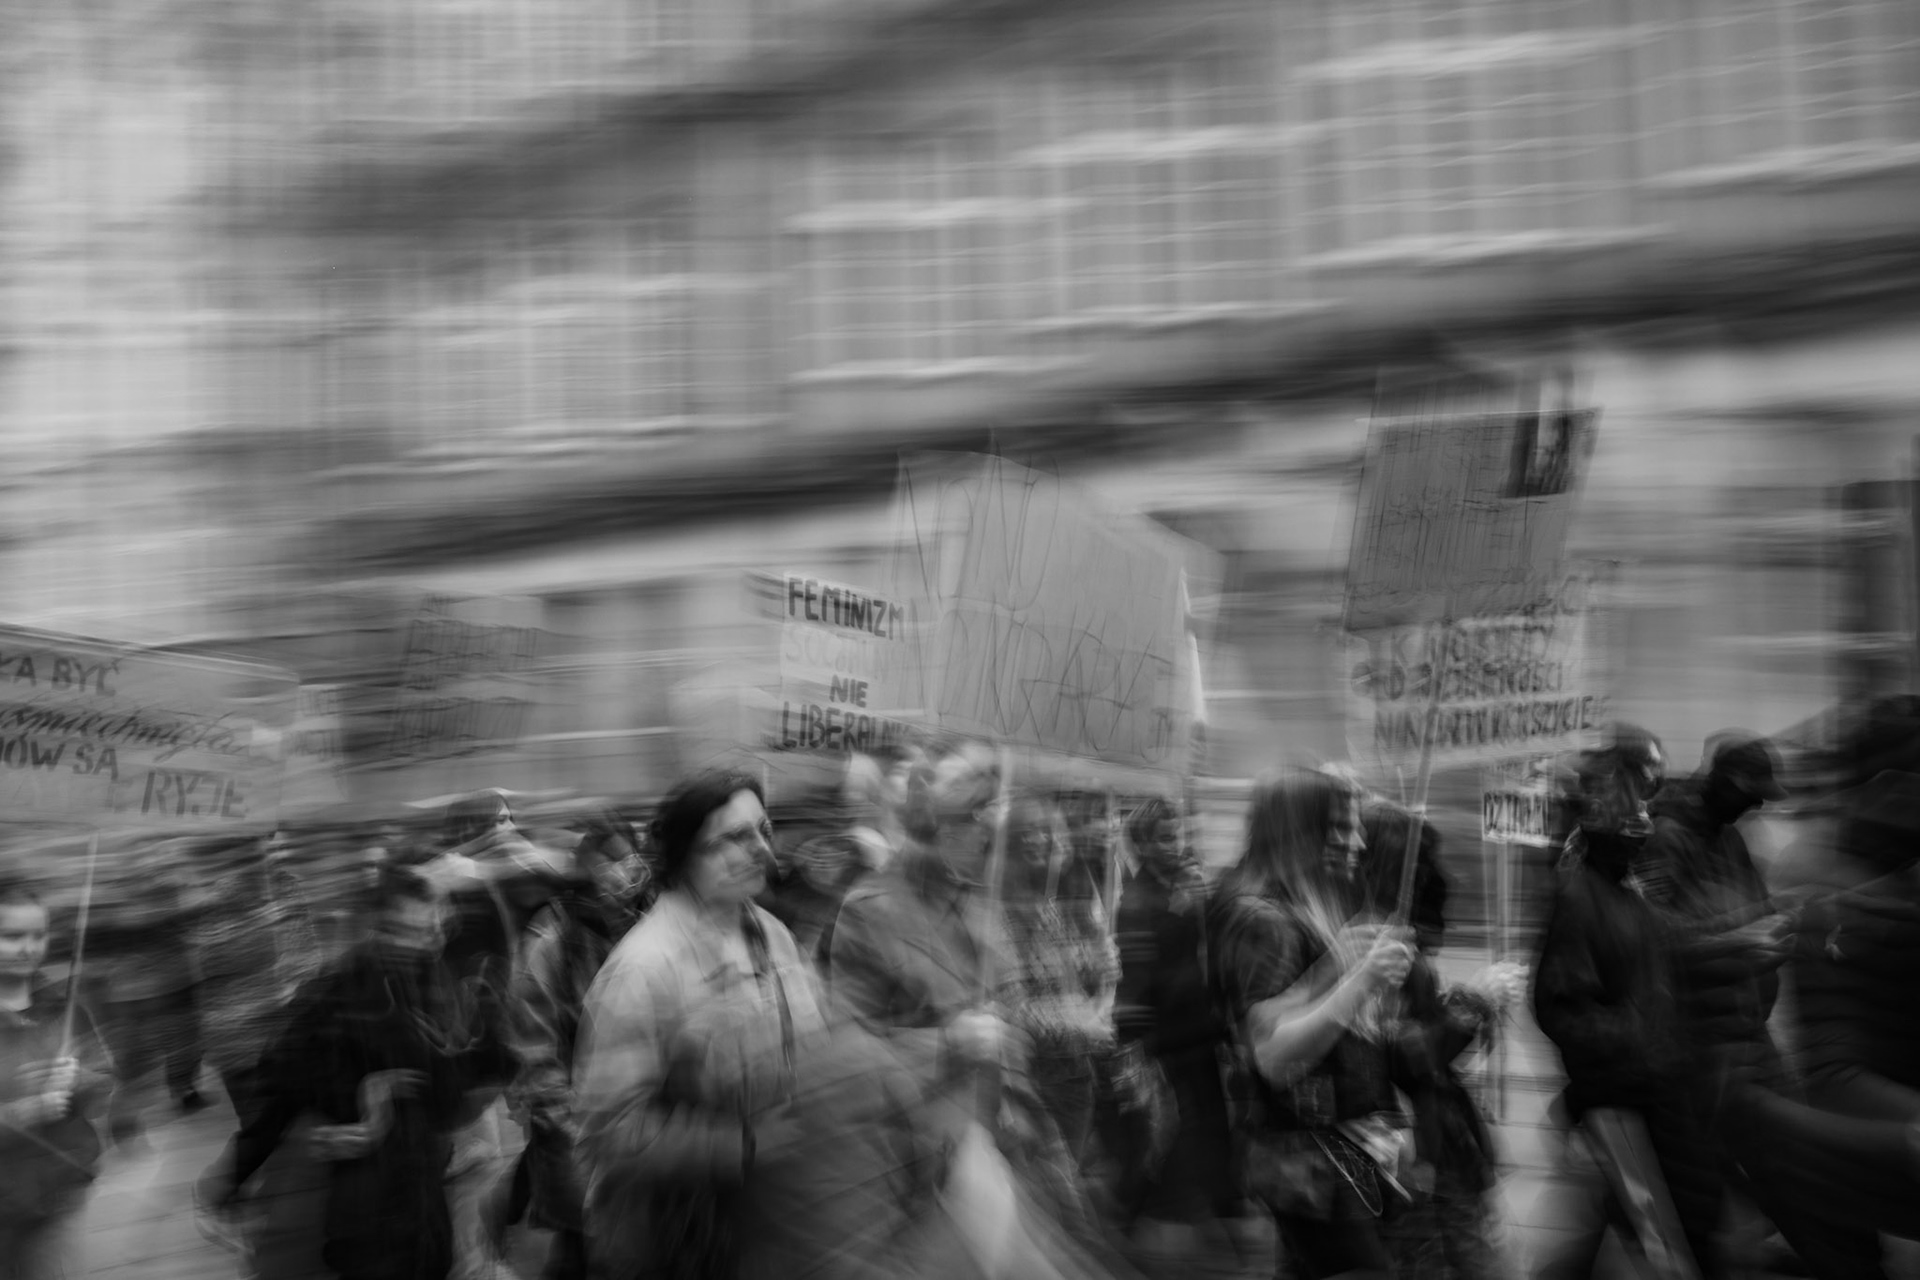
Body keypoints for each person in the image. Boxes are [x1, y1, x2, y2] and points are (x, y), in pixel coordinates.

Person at [199, 866, 515, 1280]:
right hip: (368, 1212)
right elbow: (280, 1096)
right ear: (380, 929)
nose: (429, 942)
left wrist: (492, 1043)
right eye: (414, 931)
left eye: (435, 929)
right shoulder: (336, 999)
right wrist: (231, 1178)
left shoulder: (433, 988)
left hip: (421, 1197)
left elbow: (449, 1099)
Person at [572, 771, 826, 1280]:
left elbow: (816, 1041)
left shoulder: (773, 935)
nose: (760, 849)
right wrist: (746, 1144)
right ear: (686, 853)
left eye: (763, 830)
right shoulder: (645, 967)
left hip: (773, 1225)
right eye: (734, 837)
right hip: (678, 1241)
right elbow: (611, 1131)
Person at [1206, 769, 1416, 1280]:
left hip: (1329, 1156)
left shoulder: (1300, 908)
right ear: (1299, 832)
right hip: (1307, 1162)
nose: (1359, 842)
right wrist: (1358, 980)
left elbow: (1298, 1004)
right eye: (1341, 829)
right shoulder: (1262, 918)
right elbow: (1275, 1056)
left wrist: (1344, 966)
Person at [1529, 746, 1710, 1280]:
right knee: (1658, 1243)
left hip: (1648, 1095)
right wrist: (1638, 1037)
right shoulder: (1580, 896)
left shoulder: (1627, 890)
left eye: (1646, 812)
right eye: (1632, 812)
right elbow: (1559, 1009)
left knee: (1624, 1228)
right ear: (1599, 818)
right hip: (1617, 1105)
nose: (1644, 824)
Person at [1635, 732, 1810, 1278]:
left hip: (1744, 1026)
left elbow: (1758, 906)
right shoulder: (1665, 839)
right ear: (1728, 784)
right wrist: (1739, 939)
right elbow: (1655, 941)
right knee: (1703, 1174)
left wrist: (1784, 920)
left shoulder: (1731, 839)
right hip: (1697, 1039)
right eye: (1755, 793)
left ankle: (1786, 1240)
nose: (1761, 805)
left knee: (1787, 1143)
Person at [1356, 803, 1522, 1280]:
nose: (1440, 875)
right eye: (1425, 859)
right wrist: (1474, 1001)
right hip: (1419, 1149)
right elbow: (1405, 1054)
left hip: (1438, 1144)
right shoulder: (1377, 947)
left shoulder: (1401, 943)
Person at [489, 809, 648, 1280]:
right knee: (583, 1249)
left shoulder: (648, 922)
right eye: (615, 859)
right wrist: (569, 1118)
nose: (629, 869)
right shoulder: (554, 937)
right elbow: (534, 1044)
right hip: (581, 1133)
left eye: (632, 857)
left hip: (642, 1127)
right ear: (591, 867)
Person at [1111, 796, 1236, 1246]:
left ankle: (1214, 1206)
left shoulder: (1177, 886)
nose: (1174, 843)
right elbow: (1141, 976)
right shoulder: (1137, 902)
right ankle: (1132, 1212)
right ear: (1141, 845)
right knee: (1163, 1127)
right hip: (1162, 1031)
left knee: (1205, 1121)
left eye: (1176, 833)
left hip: (1196, 1024)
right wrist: (1136, 1045)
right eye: (1163, 837)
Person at [998, 794, 1118, 1171]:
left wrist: (1097, 963)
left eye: (1055, 834)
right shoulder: (996, 915)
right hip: (1026, 1085)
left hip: (1073, 1078)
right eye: (1035, 834)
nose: (1051, 843)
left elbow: (1069, 980)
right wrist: (1079, 1024)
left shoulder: (1053, 908)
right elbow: (1010, 1007)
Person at [0, 881, 113, 1280]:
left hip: (57, 1191)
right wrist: (25, 1110)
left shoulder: (62, 1008)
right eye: (12, 936)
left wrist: (79, 1079)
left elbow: (103, 1081)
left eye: (38, 935)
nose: (29, 947)